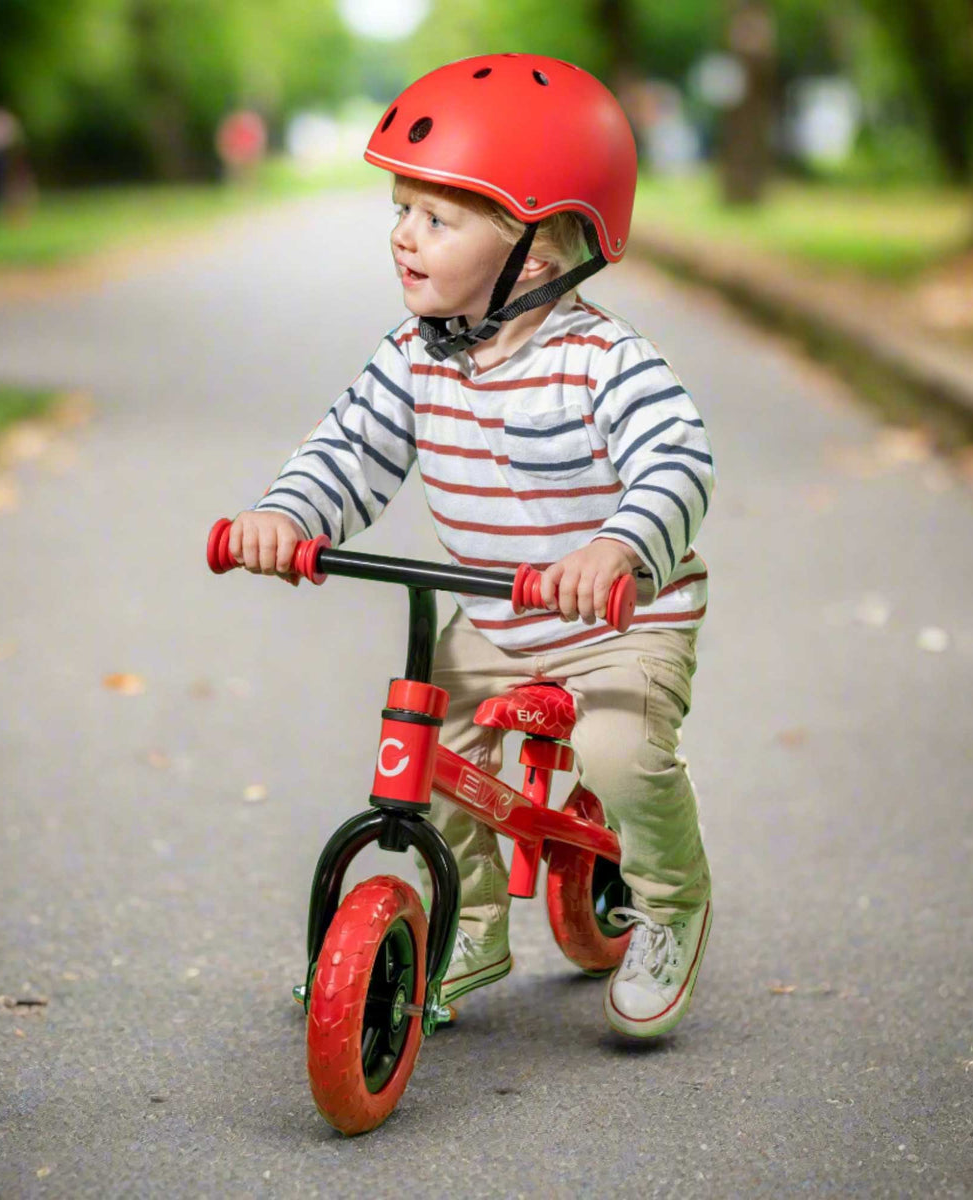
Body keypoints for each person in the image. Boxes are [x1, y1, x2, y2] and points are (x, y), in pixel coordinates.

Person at [228, 54, 715, 1039]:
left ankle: (672, 902)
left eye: (437, 219)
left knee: (618, 751)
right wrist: (290, 515)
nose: (404, 236)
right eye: (400, 210)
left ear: (535, 255)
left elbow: (679, 464)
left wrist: (618, 549)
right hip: (495, 615)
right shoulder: (414, 353)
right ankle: (472, 922)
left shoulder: (603, 363)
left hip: (616, 622)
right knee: (426, 741)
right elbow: (350, 451)